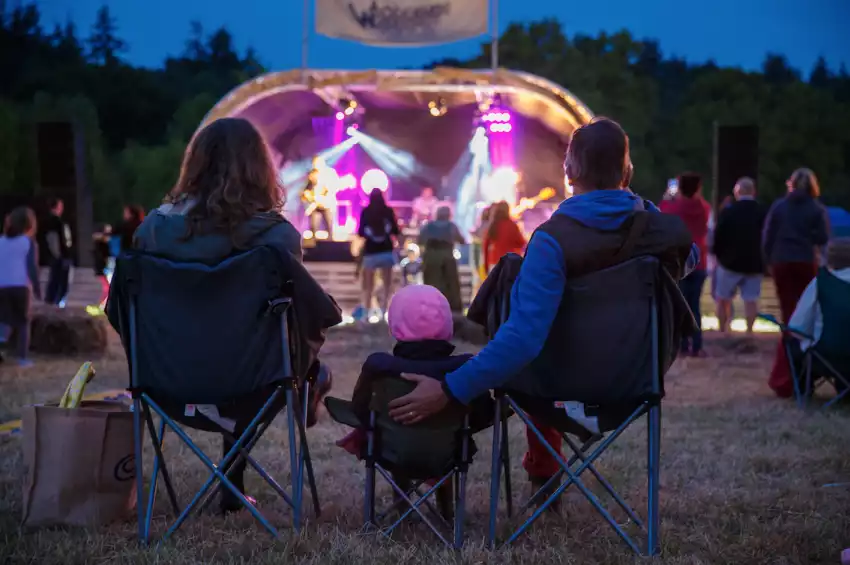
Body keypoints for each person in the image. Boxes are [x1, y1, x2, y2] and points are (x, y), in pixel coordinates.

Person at [385, 118, 698, 498]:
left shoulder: (551, 242)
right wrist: (641, 207)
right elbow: (690, 256)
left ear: (569, 171)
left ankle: (544, 471)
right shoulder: (660, 234)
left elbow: (522, 340)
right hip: (635, 379)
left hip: (556, 384)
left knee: (534, 348)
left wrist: (451, 388)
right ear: (627, 170)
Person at [112, 117, 341, 512]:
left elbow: (119, 311)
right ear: (260, 168)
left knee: (242, 352)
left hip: (166, 379)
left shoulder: (151, 230)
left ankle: (232, 480)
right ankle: (308, 388)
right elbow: (305, 317)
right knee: (278, 359)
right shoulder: (278, 237)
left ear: (195, 164)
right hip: (255, 382)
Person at [331, 285, 491, 520]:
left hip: (392, 452)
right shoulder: (464, 369)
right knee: (446, 434)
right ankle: (447, 509)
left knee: (392, 429)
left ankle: (402, 502)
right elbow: (484, 413)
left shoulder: (379, 367)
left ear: (394, 325)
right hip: (449, 454)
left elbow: (360, 410)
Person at [763, 167, 830, 398]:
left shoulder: (779, 207)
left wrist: (769, 261)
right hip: (804, 261)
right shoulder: (815, 209)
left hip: (781, 262)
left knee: (789, 318)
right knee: (804, 318)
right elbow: (822, 238)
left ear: (790, 184)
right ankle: (796, 376)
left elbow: (768, 236)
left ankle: (785, 377)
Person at [660, 173, 711, 356]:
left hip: (678, 261)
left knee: (678, 304)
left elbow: (661, 213)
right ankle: (697, 345)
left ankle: (681, 344)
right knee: (694, 305)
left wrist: (669, 196)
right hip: (699, 262)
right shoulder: (704, 208)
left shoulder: (672, 208)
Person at [712, 177, 767, 333]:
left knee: (723, 299)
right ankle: (749, 331)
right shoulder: (762, 211)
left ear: (737, 192)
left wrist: (718, 255)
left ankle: (723, 330)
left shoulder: (728, 212)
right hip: (754, 262)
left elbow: (718, 235)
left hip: (729, 262)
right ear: (753, 192)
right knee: (751, 300)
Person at [0, 207, 41, 367]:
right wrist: (37, 288)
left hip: (2, 286)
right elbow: (31, 267)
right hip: (20, 287)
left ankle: (2, 341)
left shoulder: (1, 241)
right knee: (23, 322)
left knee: (3, 318)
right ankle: (22, 358)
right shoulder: (28, 243)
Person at [357, 189, 400, 318]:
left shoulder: (366, 211)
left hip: (370, 251)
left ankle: (367, 312)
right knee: (387, 283)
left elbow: (360, 232)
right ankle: (384, 311)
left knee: (368, 285)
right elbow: (396, 231)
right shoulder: (388, 211)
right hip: (386, 250)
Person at [418, 206, 465, 311]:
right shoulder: (451, 226)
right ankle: (452, 309)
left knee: (431, 284)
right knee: (451, 285)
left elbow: (420, 240)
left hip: (430, 258)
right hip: (447, 257)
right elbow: (462, 240)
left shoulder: (428, 226)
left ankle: (431, 307)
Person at [41, 197, 72, 306]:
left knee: (55, 281)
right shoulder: (56, 223)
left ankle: (52, 303)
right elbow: (54, 240)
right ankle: (54, 304)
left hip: (57, 257)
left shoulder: (50, 222)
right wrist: (60, 255)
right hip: (60, 257)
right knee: (59, 283)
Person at [482, 201, 526, 273]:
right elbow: (521, 243)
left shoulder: (492, 226)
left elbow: (485, 247)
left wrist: (486, 266)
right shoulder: (512, 225)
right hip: (509, 264)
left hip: (493, 264)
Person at [92, 224, 112, 310]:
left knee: (107, 288)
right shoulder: (101, 244)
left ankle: (102, 306)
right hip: (102, 269)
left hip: (103, 268)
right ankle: (100, 306)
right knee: (107, 289)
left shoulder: (102, 244)